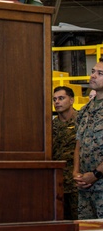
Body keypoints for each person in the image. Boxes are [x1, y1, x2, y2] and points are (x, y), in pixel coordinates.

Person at [75, 62, 103, 219]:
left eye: (100, 73)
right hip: (85, 187)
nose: (93, 75)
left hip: (99, 182)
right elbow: (78, 144)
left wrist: (96, 174)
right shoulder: (85, 110)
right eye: (93, 71)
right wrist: (76, 172)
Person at [52, 86, 79, 220]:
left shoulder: (82, 121)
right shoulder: (50, 126)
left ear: (72, 100)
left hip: (77, 183)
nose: (57, 102)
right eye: (55, 99)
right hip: (58, 183)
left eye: (61, 98)